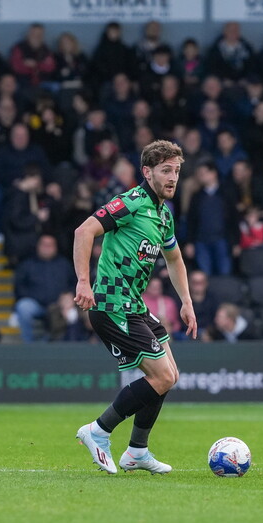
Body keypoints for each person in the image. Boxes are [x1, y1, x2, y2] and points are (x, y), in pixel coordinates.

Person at [72, 140, 197, 475]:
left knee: (170, 376)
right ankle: (97, 431)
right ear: (147, 172)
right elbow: (84, 231)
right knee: (163, 376)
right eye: (166, 170)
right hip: (111, 304)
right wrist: (84, 282)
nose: (173, 178)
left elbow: (175, 259)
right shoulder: (130, 202)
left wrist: (186, 302)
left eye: (177, 171)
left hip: (135, 305)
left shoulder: (162, 215)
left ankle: (137, 451)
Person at [13, 235, 74, 343]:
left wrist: (69, 297)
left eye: (50, 245)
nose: (47, 248)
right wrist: (37, 296)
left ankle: (69, 345)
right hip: (36, 304)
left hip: (58, 305)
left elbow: (73, 284)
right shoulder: (28, 264)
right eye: (44, 245)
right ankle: (29, 344)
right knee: (23, 307)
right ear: (38, 246)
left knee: (73, 314)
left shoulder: (64, 264)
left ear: (56, 247)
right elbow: (19, 287)